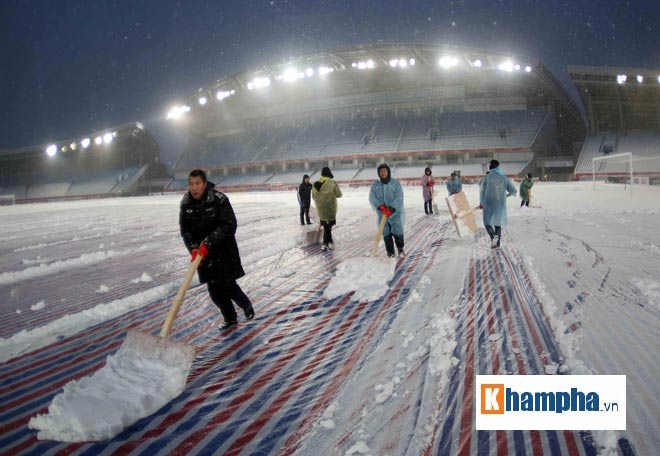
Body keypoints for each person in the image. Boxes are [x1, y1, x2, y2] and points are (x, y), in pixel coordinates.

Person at [179, 169, 254, 330]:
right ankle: (230, 318)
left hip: (223, 252)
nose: (194, 188)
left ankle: (246, 305)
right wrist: (193, 248)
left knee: (228, 285)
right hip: (203, 256)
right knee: (214, 292)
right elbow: (185, 230)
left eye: (198, 183)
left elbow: (229, 225)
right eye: (191, 184)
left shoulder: (219, 200)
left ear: (205, 184)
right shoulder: (186, 204)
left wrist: (209, 242)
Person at [369, 163, 405, 258]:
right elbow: (372, 197)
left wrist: (392, 208)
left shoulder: (395, 183)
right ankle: (390, 253)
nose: (383, 173)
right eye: (381, 171)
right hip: (382, 214)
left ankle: (400, 249)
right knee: (386, 234)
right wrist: (381, 207)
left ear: (388, 171)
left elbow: (399, 196)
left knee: (398, 233)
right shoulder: (375, 185)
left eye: (384, 170)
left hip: (395, 214)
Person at [479, 160, 517, 249]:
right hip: (500, 204)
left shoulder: (488, 176)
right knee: (497, 223)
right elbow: (512, 189)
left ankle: (493, 238)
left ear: (490, 167)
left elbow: (482, 190)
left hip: (489, 203)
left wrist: (481, 202)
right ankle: (497, 243)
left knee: (487, 223)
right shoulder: (504, 177)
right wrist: (510, 193)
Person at [312, 166, 343, 251]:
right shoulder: (332, 183)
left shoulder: (315, 184)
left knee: (326, 226)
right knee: (328, 227)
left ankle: (329, 241)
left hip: (321, 209)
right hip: (330, 209)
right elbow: (339, 194)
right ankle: (326, 243)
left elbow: (313, 197)